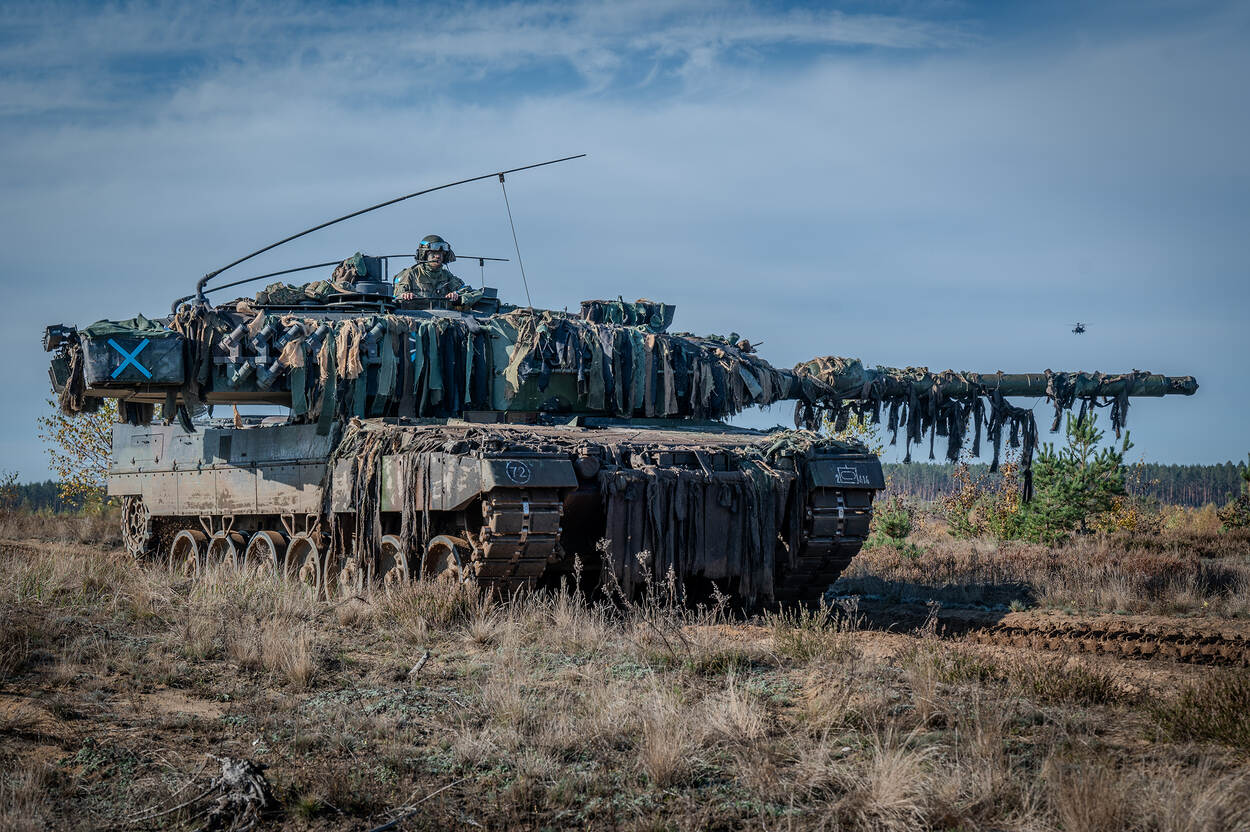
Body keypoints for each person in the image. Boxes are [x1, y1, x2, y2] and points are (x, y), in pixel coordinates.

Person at [393, 234, 483, 306]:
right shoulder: (410, 274)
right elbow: (394, 297)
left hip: (443, 318)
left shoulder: (447, 276)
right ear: (424, 255)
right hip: (414, 318)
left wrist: (458, 296)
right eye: (433, 253)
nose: (438, 256)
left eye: (441, 254)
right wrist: (404, 295)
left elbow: (473, 293)